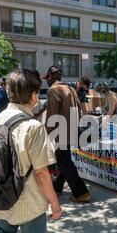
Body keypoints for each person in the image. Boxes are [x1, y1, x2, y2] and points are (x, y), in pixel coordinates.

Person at [0, 69, 62, 233]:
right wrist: (55, 204)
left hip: (0, 196)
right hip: (29, 201)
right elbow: (41, 172)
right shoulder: (33, 127)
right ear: (34, 95)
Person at [45, 66, 91, 203]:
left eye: (47, 79)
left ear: (51, 77)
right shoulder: (71, 89)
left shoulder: (53, 90)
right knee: (63, 161)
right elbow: (79, 110)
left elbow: (52, 115)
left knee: (65, 162)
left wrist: (47, 132)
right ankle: (57, 187)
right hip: (71, 130)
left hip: (60, 133)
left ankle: (81, 192)